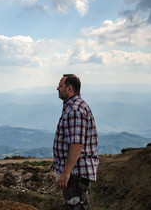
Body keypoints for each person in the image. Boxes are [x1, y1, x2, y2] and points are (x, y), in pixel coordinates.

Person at [51, 74, 99, 210]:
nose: (57, 89)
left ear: (70, 88)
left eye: (60, 86)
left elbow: (77, 144)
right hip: (76, 171)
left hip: (76, 173)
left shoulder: (75, 110)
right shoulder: (74, 107)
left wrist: (66, 172)